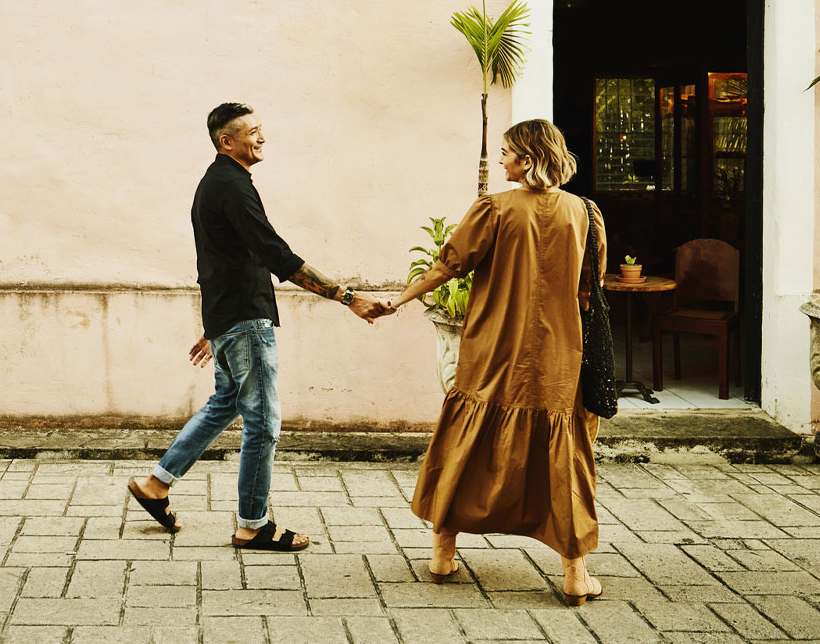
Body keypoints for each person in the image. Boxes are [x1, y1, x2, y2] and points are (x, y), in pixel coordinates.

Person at [129, 102, 393, 551]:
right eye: (252, 132)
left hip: (231, 318)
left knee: (224, 403)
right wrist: (348, 298)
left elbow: (219, 260)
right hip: (245, 321)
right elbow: (276, 254)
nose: (262, 137)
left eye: (261, 129)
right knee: (263, 423)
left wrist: (216, 325)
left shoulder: (217, 184)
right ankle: (253, 524)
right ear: (226, 141)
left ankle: (156, 485)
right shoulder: (232, 187)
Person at [388, 119, 607, 605]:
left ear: (527, 159)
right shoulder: (585, 213)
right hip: (560, 353)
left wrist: (398, 300)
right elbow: (589, 290)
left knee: (466, 443)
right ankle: (575, 576)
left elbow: (448, 266)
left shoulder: (494, 208)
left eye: (507, 152)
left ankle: (442, 556)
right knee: (564, 458)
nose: (502, 159)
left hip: (493, 348)